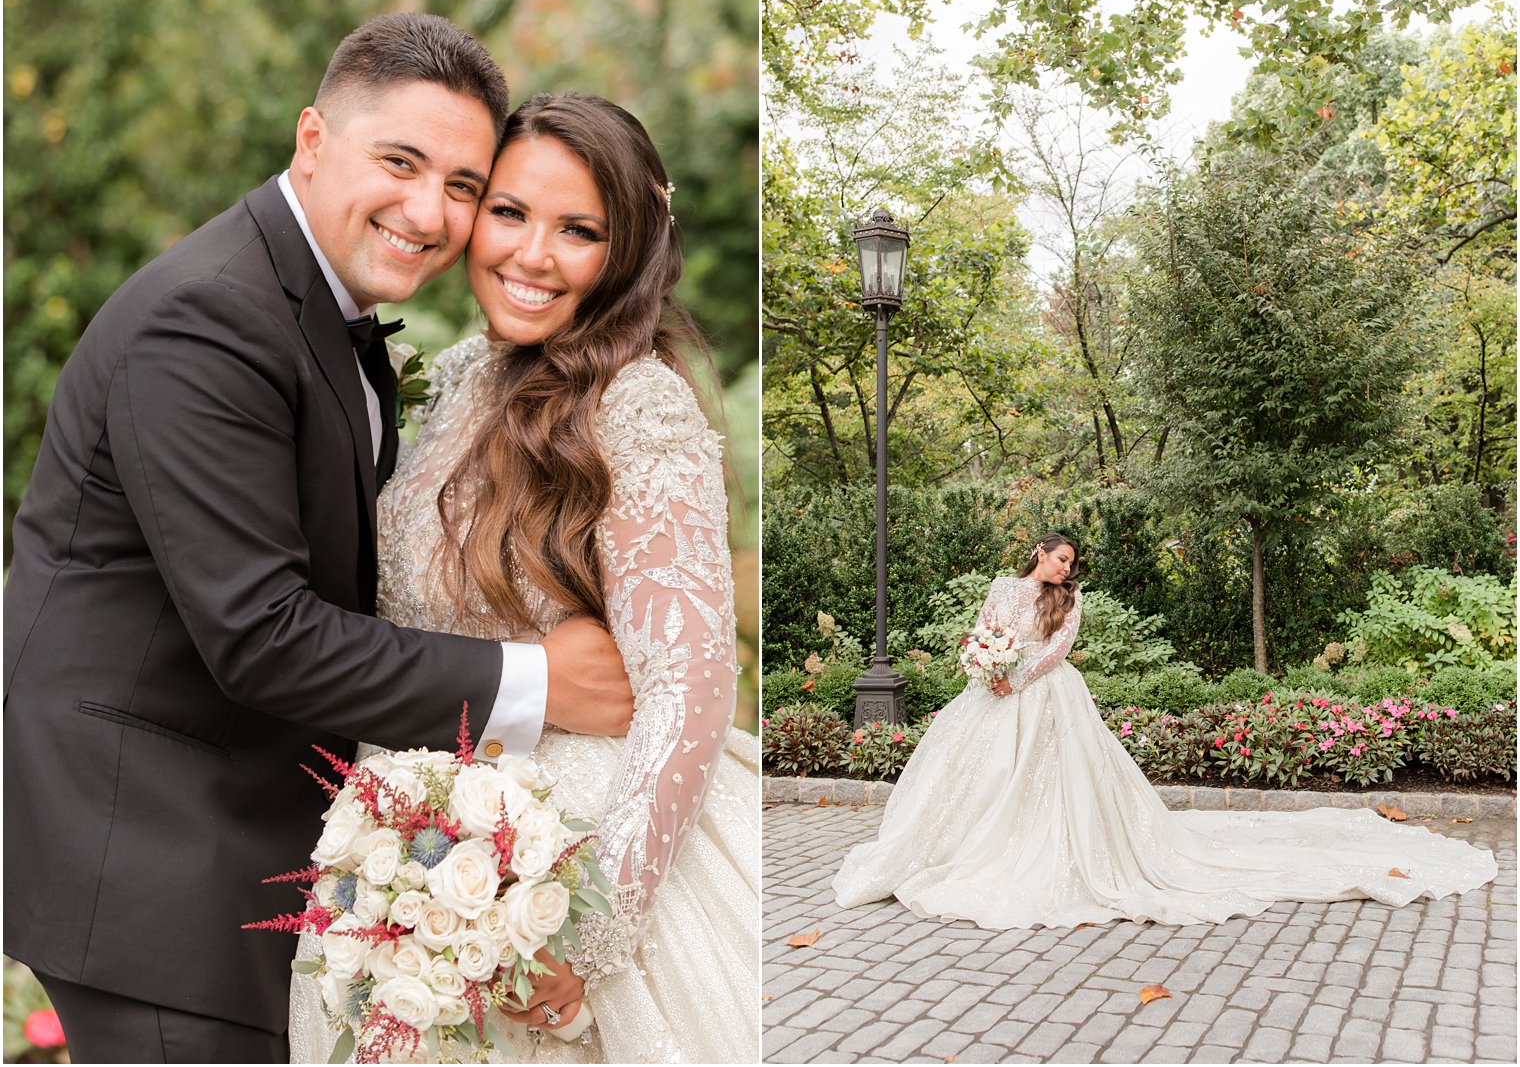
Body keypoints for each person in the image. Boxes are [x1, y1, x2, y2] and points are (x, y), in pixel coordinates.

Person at [3, 15, 638, 1064]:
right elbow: (261, 631)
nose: (428, 210)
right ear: (310, 139)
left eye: (463, 185)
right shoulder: (207, 320)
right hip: (152, 851)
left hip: (234, 832)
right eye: (400, 161)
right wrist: (536, 681)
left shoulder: (312, 302)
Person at [287, 91, 760, 1063]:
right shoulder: (457, 375)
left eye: (577, 230)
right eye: (508, 213)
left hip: (567, 862)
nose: (531, 254)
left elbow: (690, 684)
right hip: (408, 860)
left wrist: (582, 930)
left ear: (624, 249)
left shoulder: (635, 404)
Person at [833, 533, 1497, 928]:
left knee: (1050, 783)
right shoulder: (1002, 585)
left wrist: (1018, 675)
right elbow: (981, 635)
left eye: (1072, 562)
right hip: (992, 695)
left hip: (1045, 694)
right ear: (1037, 552)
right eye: (1059, 558)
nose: (1067, 567)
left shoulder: (1071, 601)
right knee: (974, 777)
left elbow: (1058, 650)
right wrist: (985, 667)